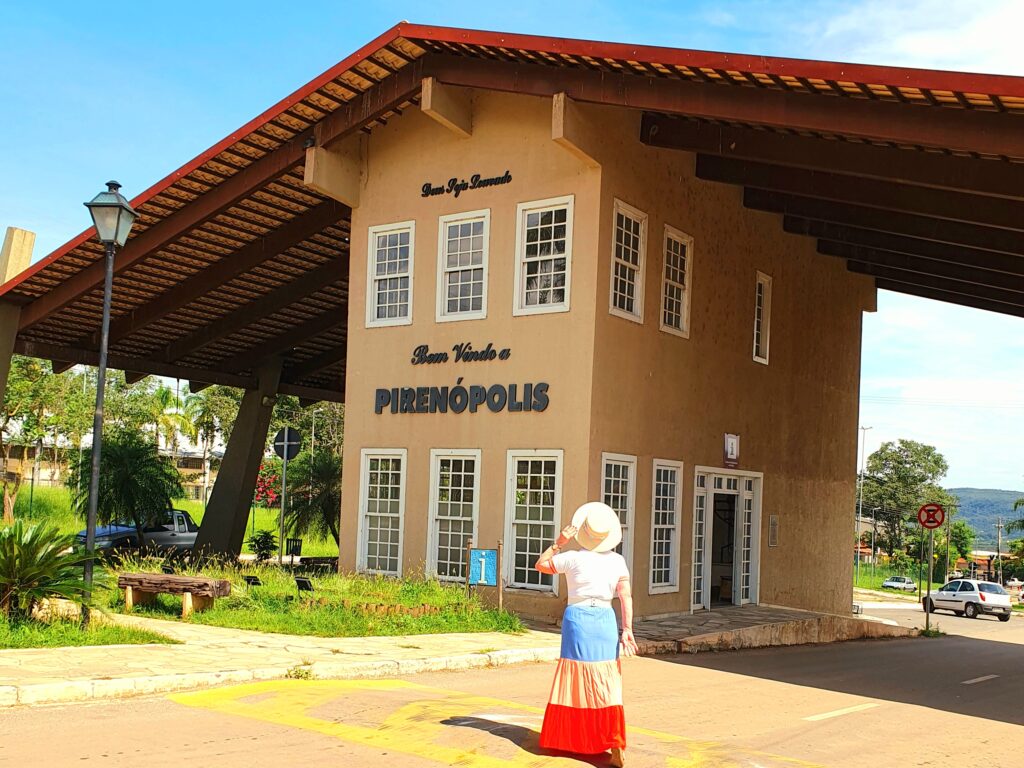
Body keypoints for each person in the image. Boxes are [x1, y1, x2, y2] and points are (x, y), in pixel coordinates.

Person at [534, 501, 638, 767]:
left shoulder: (573, 557)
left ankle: (572, 739)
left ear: (582, 533)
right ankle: (612, 739)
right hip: (604, 619)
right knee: (607, 681)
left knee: (576, 678)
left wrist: (559, 541)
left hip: (577, 619)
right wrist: (627, 630)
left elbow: (541, 564)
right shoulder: (617, 561)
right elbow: (625, 597)